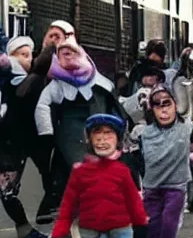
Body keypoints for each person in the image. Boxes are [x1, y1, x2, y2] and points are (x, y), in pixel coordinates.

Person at [52, 114, 147, 238]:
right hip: (91, 229)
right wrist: (62, 226)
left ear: (118, 141)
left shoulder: (122, 171)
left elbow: (132, 197)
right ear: (89, 140)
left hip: (121, 227)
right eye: (98, 136)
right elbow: (69, 202)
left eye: (108, 135)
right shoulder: (80, 172)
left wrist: (140, 219)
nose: (103, 140)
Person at [35, 36, 128, 202]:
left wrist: (121, 128)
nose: (69, 57)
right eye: (64, 54)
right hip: (69, 133)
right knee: (80, 166)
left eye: (72, 53)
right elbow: (42, 106)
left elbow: (115, 105)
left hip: (98, 128)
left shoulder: (100, 82)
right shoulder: (57, 85)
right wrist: (46, 132)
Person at [0, 36, 49, 238]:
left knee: (9, 188)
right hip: (8, 142)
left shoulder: (29, 80)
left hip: (19, 141)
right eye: (21, 55)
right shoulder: (11, 82)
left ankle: (26, 227)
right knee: (7, 188)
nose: (27, 59)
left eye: (29, 54)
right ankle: (24, 228)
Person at [141, 83, 192, 238]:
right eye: (157, 105)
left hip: (176, 184)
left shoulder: (186, 128)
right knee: (153, 219)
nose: (163, 110)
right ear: (151, 109)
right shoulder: (145, 132)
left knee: (170, 217)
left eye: (167, 103)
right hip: (152, 185)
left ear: (175, 105)